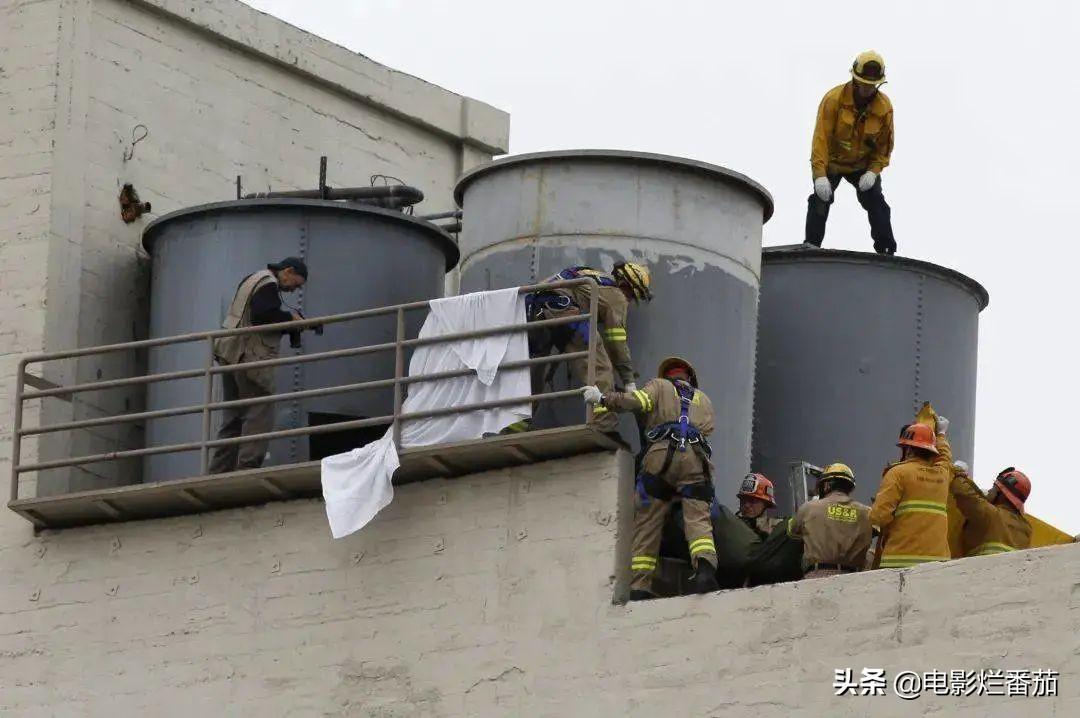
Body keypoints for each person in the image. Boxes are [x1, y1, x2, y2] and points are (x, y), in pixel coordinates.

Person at [583, 356, 717, 599]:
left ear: (667, 375)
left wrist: (602, 398)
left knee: (647, 519)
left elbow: (637, 402)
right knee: (698, 518)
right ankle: (705, 569)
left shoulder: (658, 386)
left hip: (660, 459)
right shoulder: (705, 400)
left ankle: (640, 585)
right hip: (696, 461)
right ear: (690, 378)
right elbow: (707, 429)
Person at [514, 261, 651, 434]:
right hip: (565, 311)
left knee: (537, 368)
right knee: (599, 365)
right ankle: (604, 423)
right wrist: (628, 381)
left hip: (534, 311)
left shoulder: (590, 275)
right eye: (632, 296)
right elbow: (616, 341)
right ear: (626, 285)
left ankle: (516, 424)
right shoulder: (617, 295)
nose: (629, 301)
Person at [209, 257, 309, 474]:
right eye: (296, 284)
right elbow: (262, 316)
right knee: (259, 412)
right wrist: (291, 319)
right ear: (288, 271)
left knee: (233, 417)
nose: (294, 290)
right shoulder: (269, 284)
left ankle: (219, 471)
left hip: (229, 353)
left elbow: (253, 316)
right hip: (248, 357)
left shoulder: (253, 278)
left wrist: (287, 322)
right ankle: (247, 469)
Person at [805, 50, 896, 255]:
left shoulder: (884, 108)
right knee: (820, 200)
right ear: (855, 80)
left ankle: (886, 250)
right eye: (863, 83)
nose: (867, 89)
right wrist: (820, 175)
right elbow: (820, 140)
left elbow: (884, 147)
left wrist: (873, 172)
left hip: (862, 165)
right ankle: (811, 247)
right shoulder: (833, 99)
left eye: (872, 85)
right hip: (833, 162)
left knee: (876, 202)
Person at [869, 416, 952, 568]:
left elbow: (878, 517)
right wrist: (941, 434)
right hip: (937, 564)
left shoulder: (898, 473)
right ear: (932, 451)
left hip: (899, 561)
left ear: (908, 450)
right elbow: (945, 457)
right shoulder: (942, 475)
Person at [788, 463, 872, 578]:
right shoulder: (867, 512)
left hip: (817, 575)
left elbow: (791, 532)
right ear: (850, 487)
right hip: (854, 578)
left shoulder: (809, 508)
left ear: (826, 485)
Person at [951, 462, 1032, 557]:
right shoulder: (1026, 529)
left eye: (993, 487)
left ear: (1001, 494)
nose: (989, 491)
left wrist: (959, 471)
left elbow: (963, 492)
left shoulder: (991, 515)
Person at [735, 473, 783, 541]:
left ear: (766, 504)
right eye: (743, 500)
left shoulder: (778, 529)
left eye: (752, 500)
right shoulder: (731, 526)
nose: (746, 505)